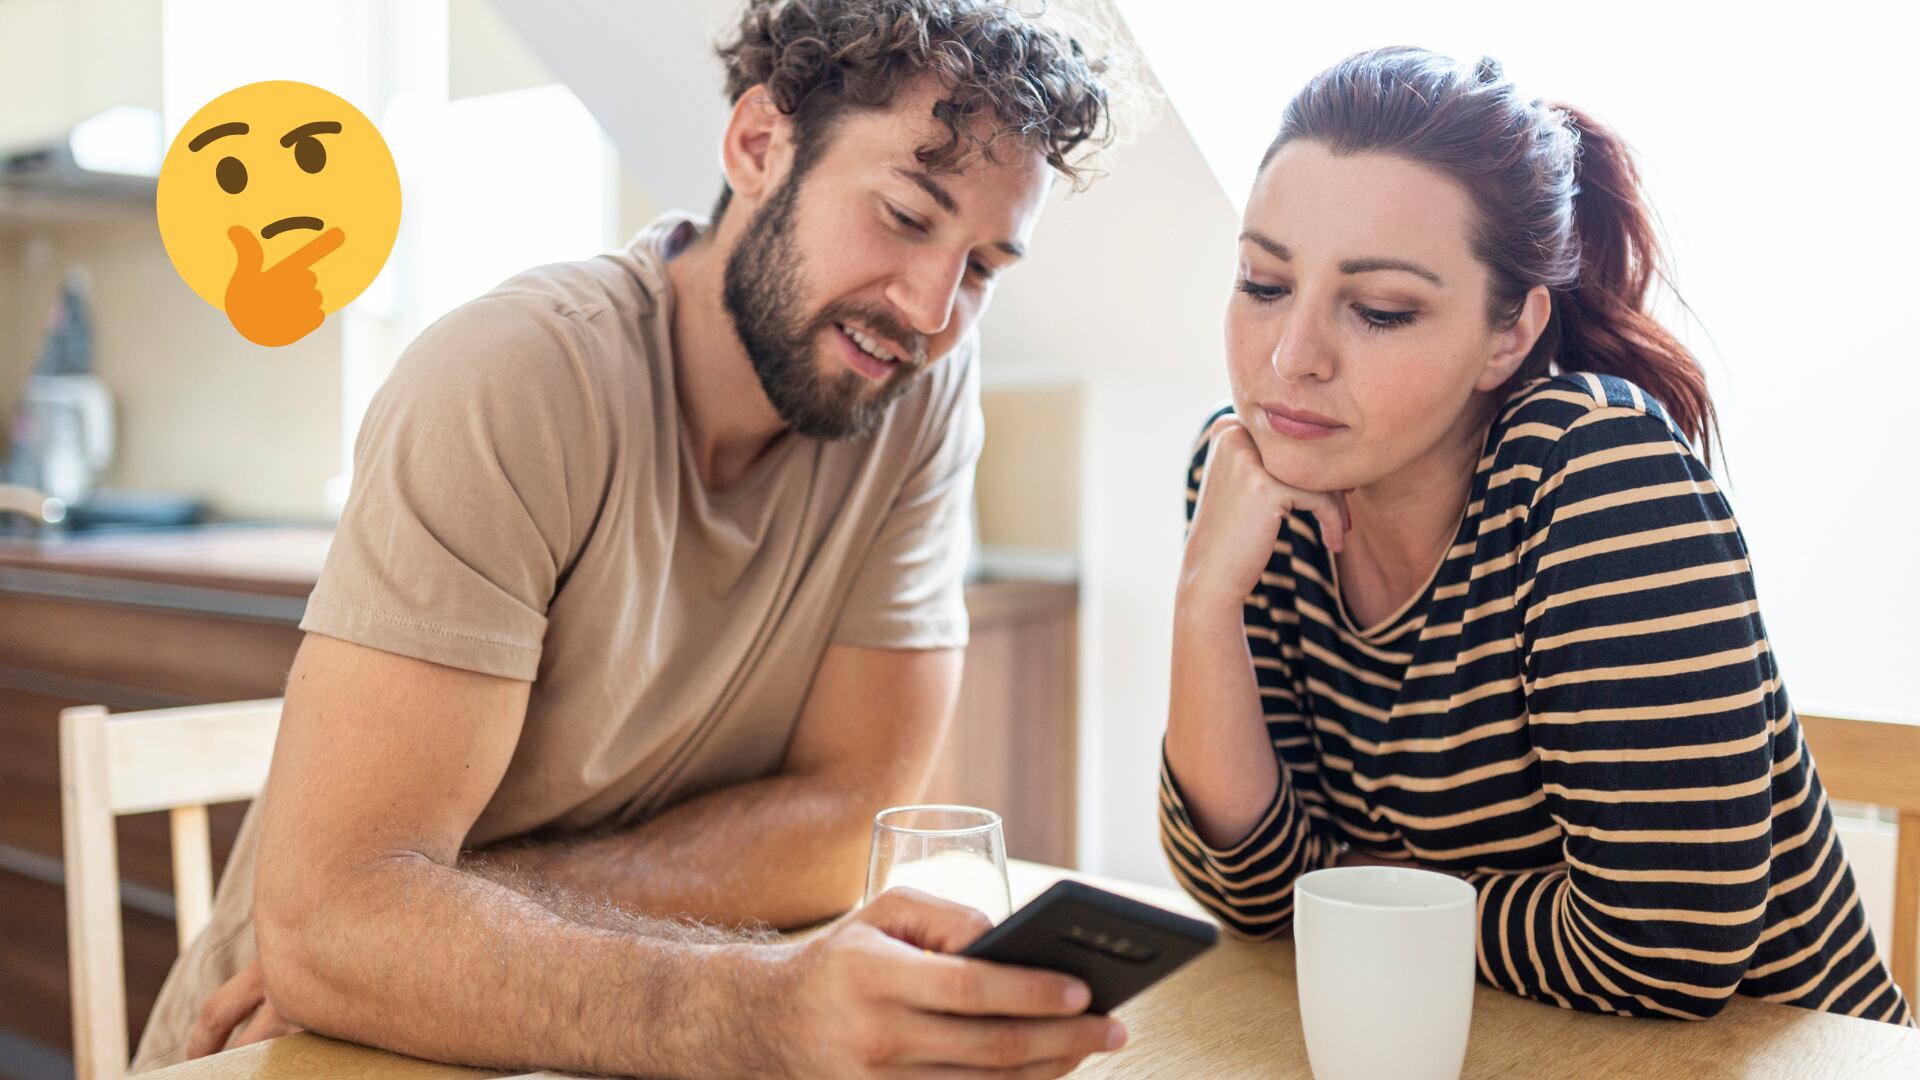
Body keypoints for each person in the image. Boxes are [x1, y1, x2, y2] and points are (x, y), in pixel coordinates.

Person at [131, 2, 1133, 1076]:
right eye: (903, 215)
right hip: (289, 1040)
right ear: (759, 145)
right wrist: (764, 1011)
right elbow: (333, 928)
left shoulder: (914, 395)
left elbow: (851, 822)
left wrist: (430, 918)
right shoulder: (512, 378)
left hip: (545, 1018)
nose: (933, 311)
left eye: (983, 268)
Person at [1160, 46, 1913, 1027]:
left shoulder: (1597, 474)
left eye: (1380, 310)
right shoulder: (1255, 482)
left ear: (1509, 335)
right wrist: (1204, 604)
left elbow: (1664, 951)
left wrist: (1363, 893)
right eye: (1264, 283)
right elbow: (1258, 897)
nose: (1290, 359)